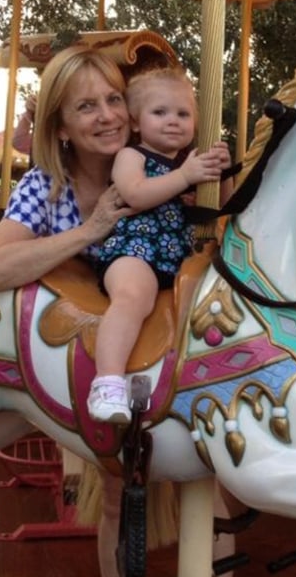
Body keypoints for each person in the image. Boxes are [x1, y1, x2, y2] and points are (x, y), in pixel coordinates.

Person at [0, 44, 234, 577]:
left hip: (174, 320)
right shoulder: (47, 185)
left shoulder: (168, 153)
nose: (106, 114)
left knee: (216, 491)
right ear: (61, 125)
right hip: (112, 329)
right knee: (118, 498)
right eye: (86, 105)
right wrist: (89, 230)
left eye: (113, 99)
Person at [87, 66, 230, 423]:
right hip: (133, 248)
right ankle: (107, 381)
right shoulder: (132, 156)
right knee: (134, 296)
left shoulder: (188, 162)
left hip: (176, 255)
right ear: (135, 122)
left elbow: (222, 207)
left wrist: (222, 173)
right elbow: (134, 194)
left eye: (183, 114)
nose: (173, 122)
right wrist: (185, 176)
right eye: (160, 112)